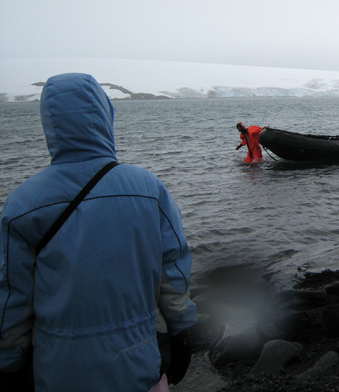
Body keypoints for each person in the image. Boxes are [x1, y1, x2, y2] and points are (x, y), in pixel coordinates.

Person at [0, 73, 198, 392]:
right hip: (140, 361)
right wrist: (182, 332)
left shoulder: (22, 202)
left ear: (50, 124)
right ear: (105, 116)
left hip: (59, 371)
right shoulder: (148, 188)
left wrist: (10, 363)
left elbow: (11, 295)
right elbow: (173, 273)